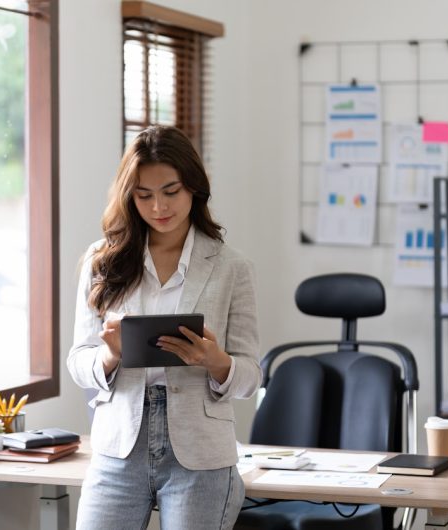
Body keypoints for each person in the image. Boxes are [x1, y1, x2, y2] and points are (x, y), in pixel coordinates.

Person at [68, 125, 261, 530]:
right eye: (144, 195)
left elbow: (249, 378)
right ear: (129, 195)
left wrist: (217, 362)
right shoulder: (102, 261)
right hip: (119, 447)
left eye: (171, 192)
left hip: (200, 453)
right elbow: (78, 361)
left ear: (193, 187)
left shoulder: (232, 268)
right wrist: (109, 355)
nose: (159, 207)